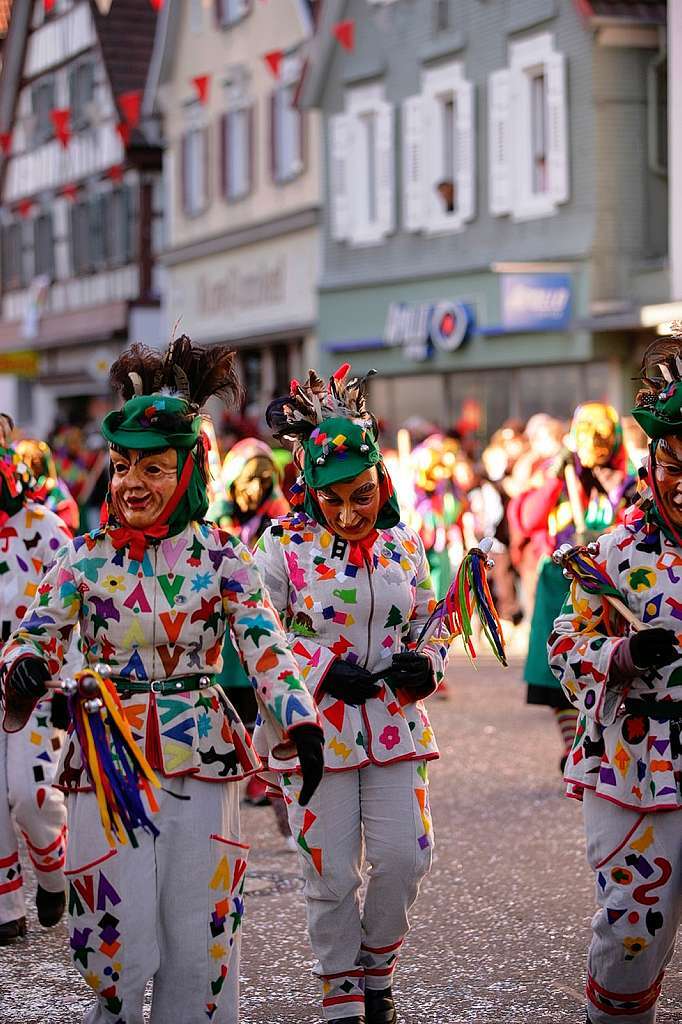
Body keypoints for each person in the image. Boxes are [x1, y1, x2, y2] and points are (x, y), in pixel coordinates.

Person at [0, 338, 323, 1023]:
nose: (131, 483)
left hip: (203, 759)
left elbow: (266, 643)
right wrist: (23, 669)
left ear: (189, 470)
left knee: (202, 935)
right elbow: (33, 631)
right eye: (122, 467)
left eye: (153, 466)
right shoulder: (84, 558)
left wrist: (298, 720)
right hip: (107, 760)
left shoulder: (223, 556)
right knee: (113, 937)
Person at [254, 366, 452, 1024]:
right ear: (308, 488)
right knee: (329, 869)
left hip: (395, 726)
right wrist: (315, 666)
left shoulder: (404, 542)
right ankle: (342, 989)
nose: (347, 512)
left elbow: (432, 618)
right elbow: (257, 629)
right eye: (331, 498)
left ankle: (377, 966)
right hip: (315, 730)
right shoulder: (281, 545)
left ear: (381, 482)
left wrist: (428, 662)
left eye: (361, 495)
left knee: (406, 857)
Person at [548, 337, 682, 1024]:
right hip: (635, 763)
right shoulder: (617, 553)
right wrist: (623, 655)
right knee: (635, 930)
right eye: (671, 464)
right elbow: (565, 646)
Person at [516, 403, 636, 770]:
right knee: (554, 670)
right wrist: (556, 474)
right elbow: (529, 518)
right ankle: (573, 746)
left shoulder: (631, 480)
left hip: (609, 581)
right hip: (560, 578)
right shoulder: (561, 474)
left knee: (605, 666)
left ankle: (595, 744)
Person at [0, 416, 72, 944]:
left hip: (36, 683)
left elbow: (74, 610)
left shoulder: (46, 527)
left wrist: (67, 679)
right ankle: (5, 909)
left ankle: (54, 875)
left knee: (30, 793)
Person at [209, 438, 291, 813]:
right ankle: (231, 770)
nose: (255, 491)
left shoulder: (277, 513)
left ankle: (261, 777)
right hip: (222, 621)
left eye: (262, 481)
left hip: (259, 616)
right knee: (228, 700)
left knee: (261, 697)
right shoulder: (217, 513)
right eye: (249, 482)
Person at [15, 437, 80, 532]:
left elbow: (69, 528)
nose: (28, 468)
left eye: (34, 462)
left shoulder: (56, 493)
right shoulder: (13, 491)